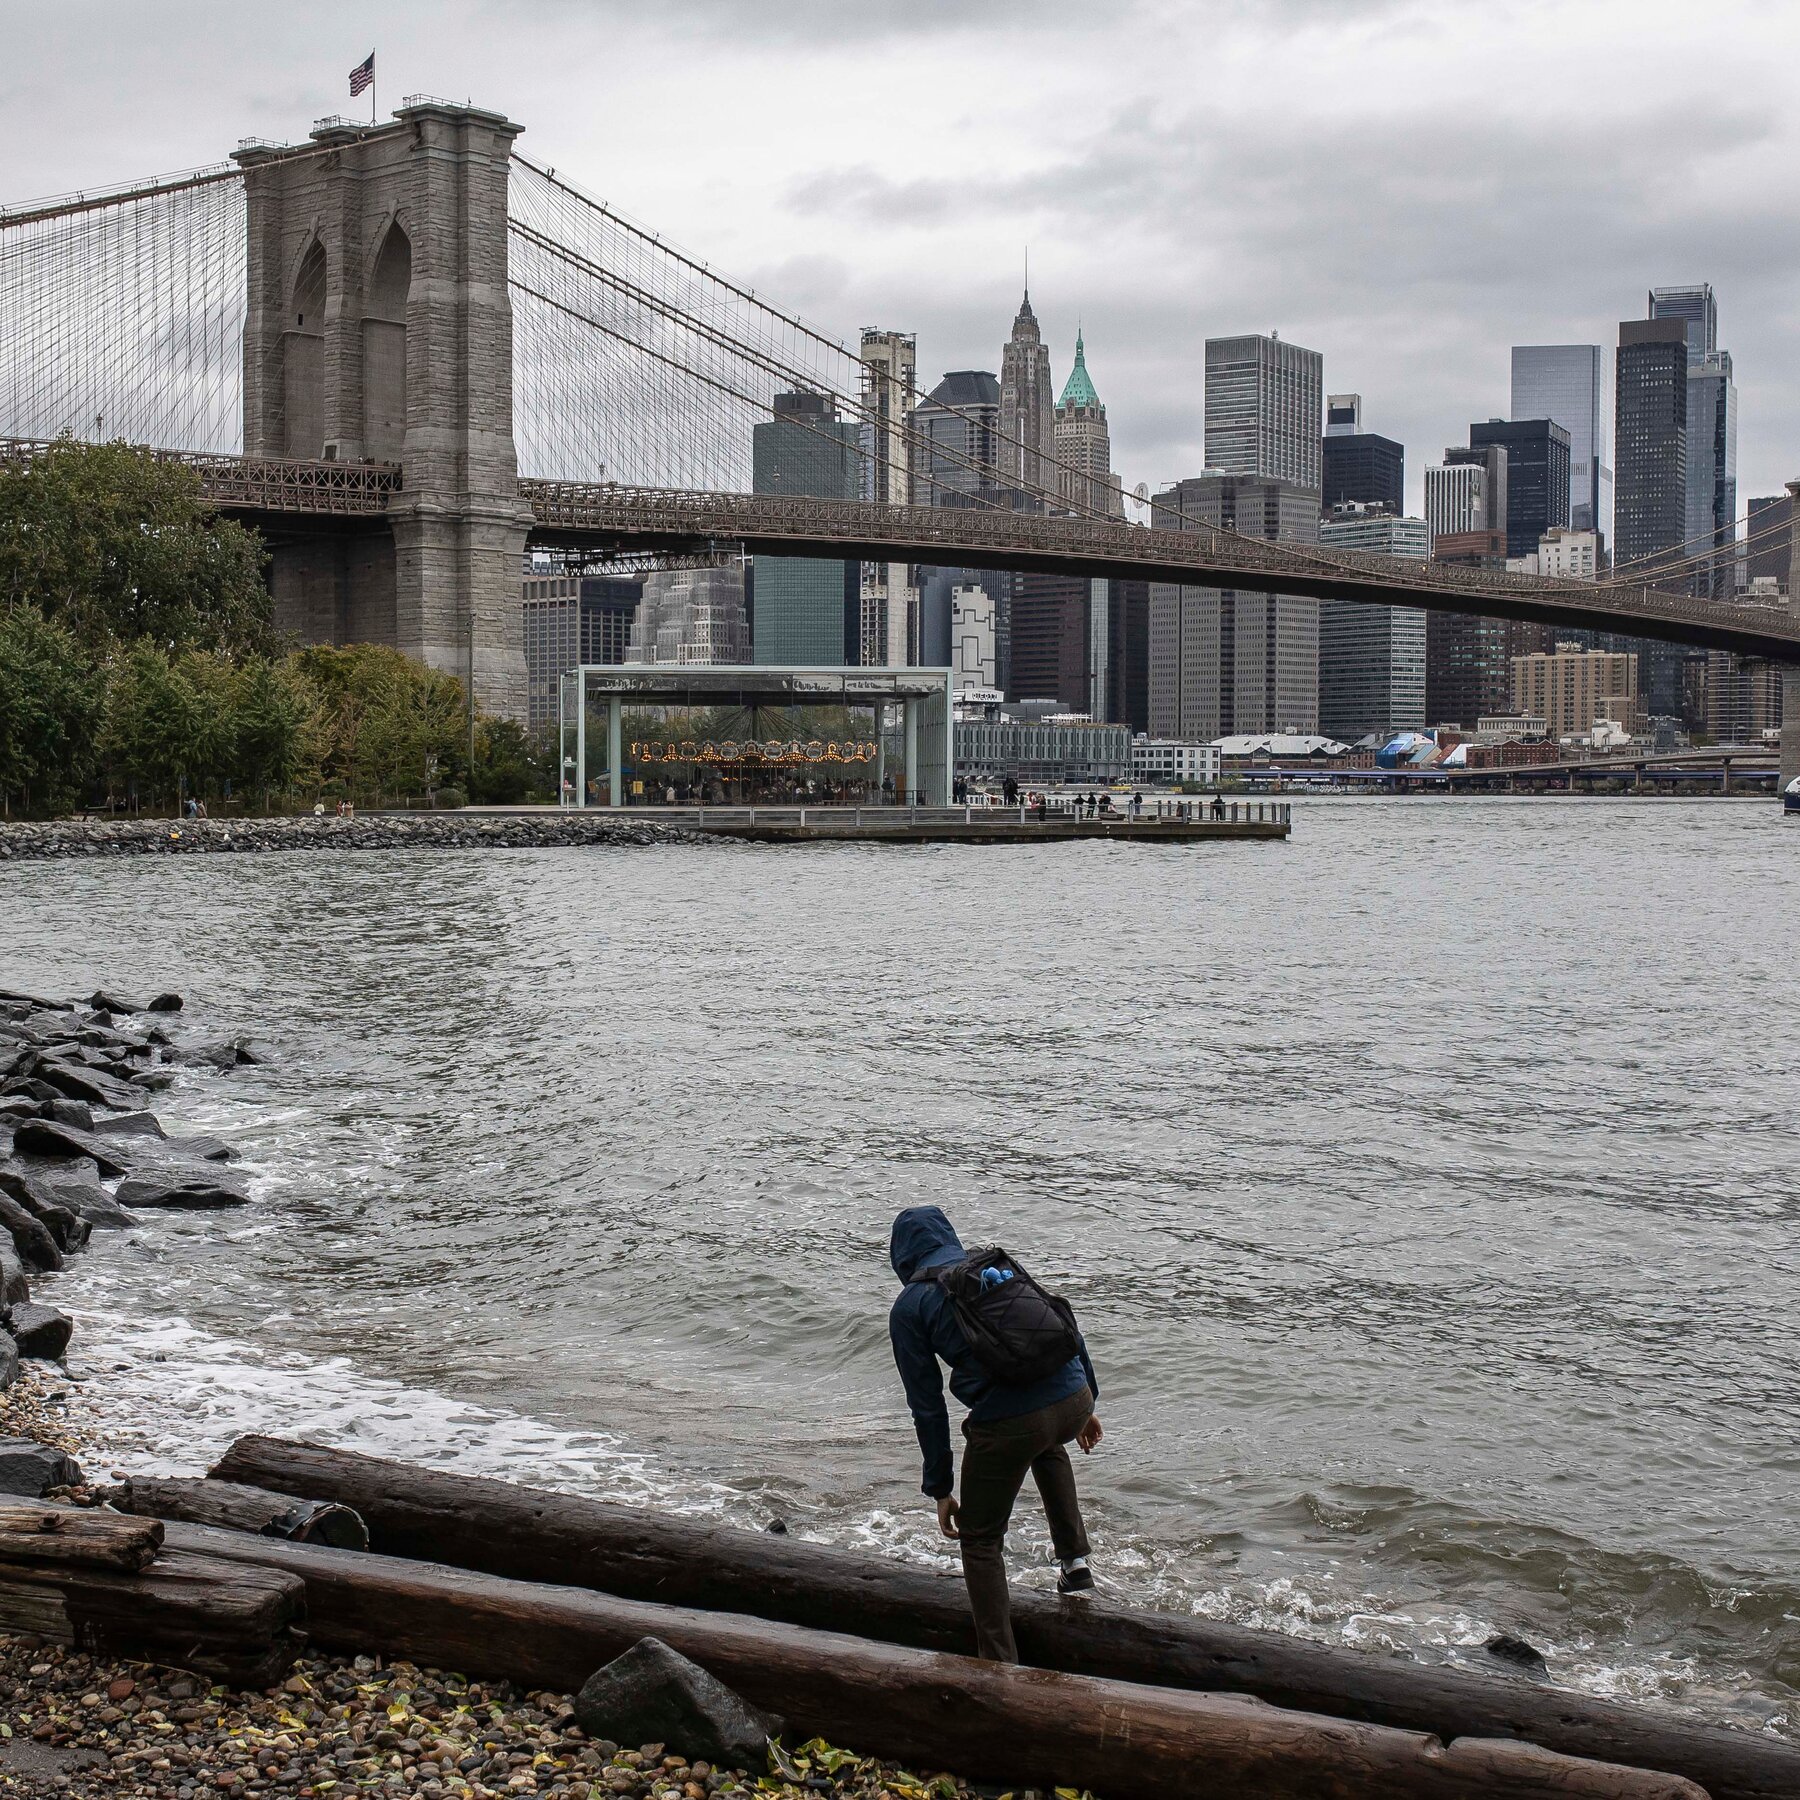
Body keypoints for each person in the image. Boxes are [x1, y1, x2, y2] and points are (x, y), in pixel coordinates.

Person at [887, 1206, 1102, 1662]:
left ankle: (999, 1666)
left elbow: (927, 1407)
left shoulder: (910, 1306)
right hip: (1073, 1396)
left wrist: (940, 1489)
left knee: (980, 1539)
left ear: (901, 1255)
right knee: (1045, 1442)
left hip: (1011, 1422)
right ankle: (1075, 1562)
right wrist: (1088, 1404)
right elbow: (1062, 1318)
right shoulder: (996, 1263)